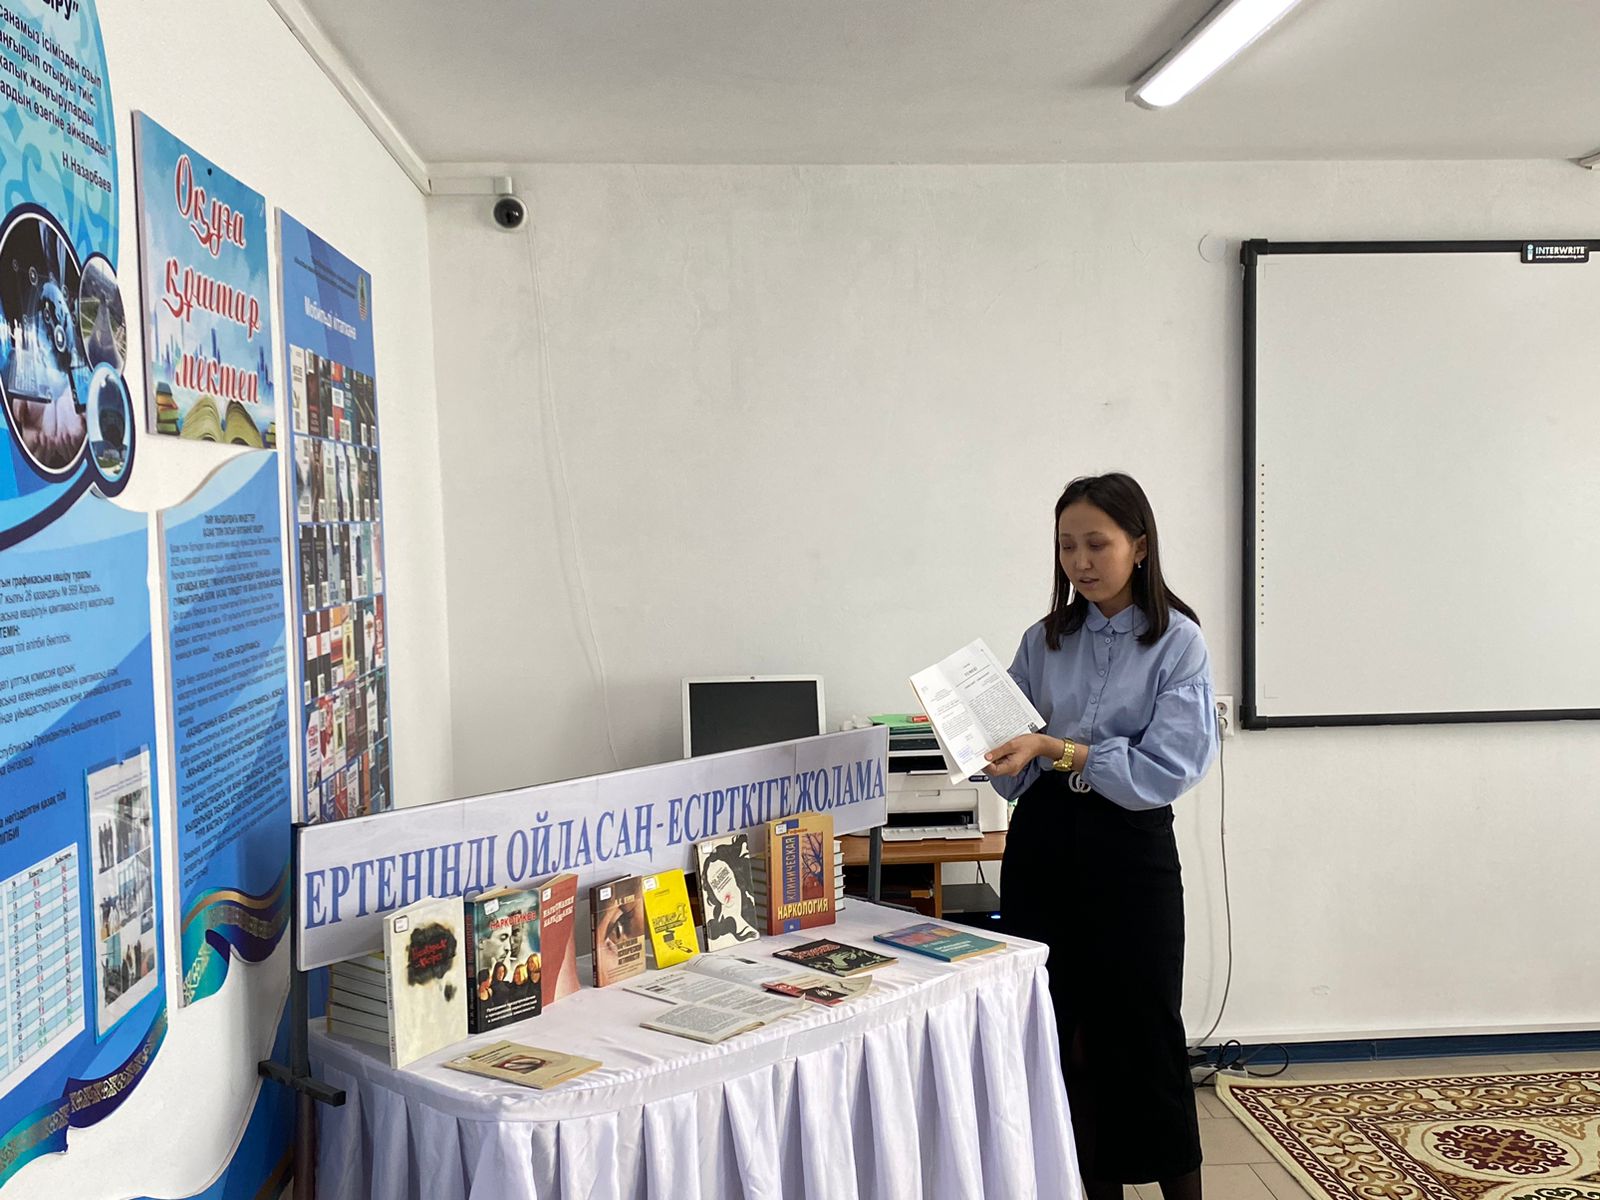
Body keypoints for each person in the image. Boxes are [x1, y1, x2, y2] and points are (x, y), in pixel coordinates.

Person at [984, 473, 1218, 1200]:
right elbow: (1017, 760)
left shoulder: (1178, 641)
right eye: (1066, 546)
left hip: (1129, 848)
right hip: (1044, 844)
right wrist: (988, 749)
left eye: (1096, 544)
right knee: (1055, 1028)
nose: (1080, 562)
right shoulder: (1044, 639)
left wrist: (1057, 750)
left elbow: (1167, 767)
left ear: (1139, 547)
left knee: (1145, 1030)